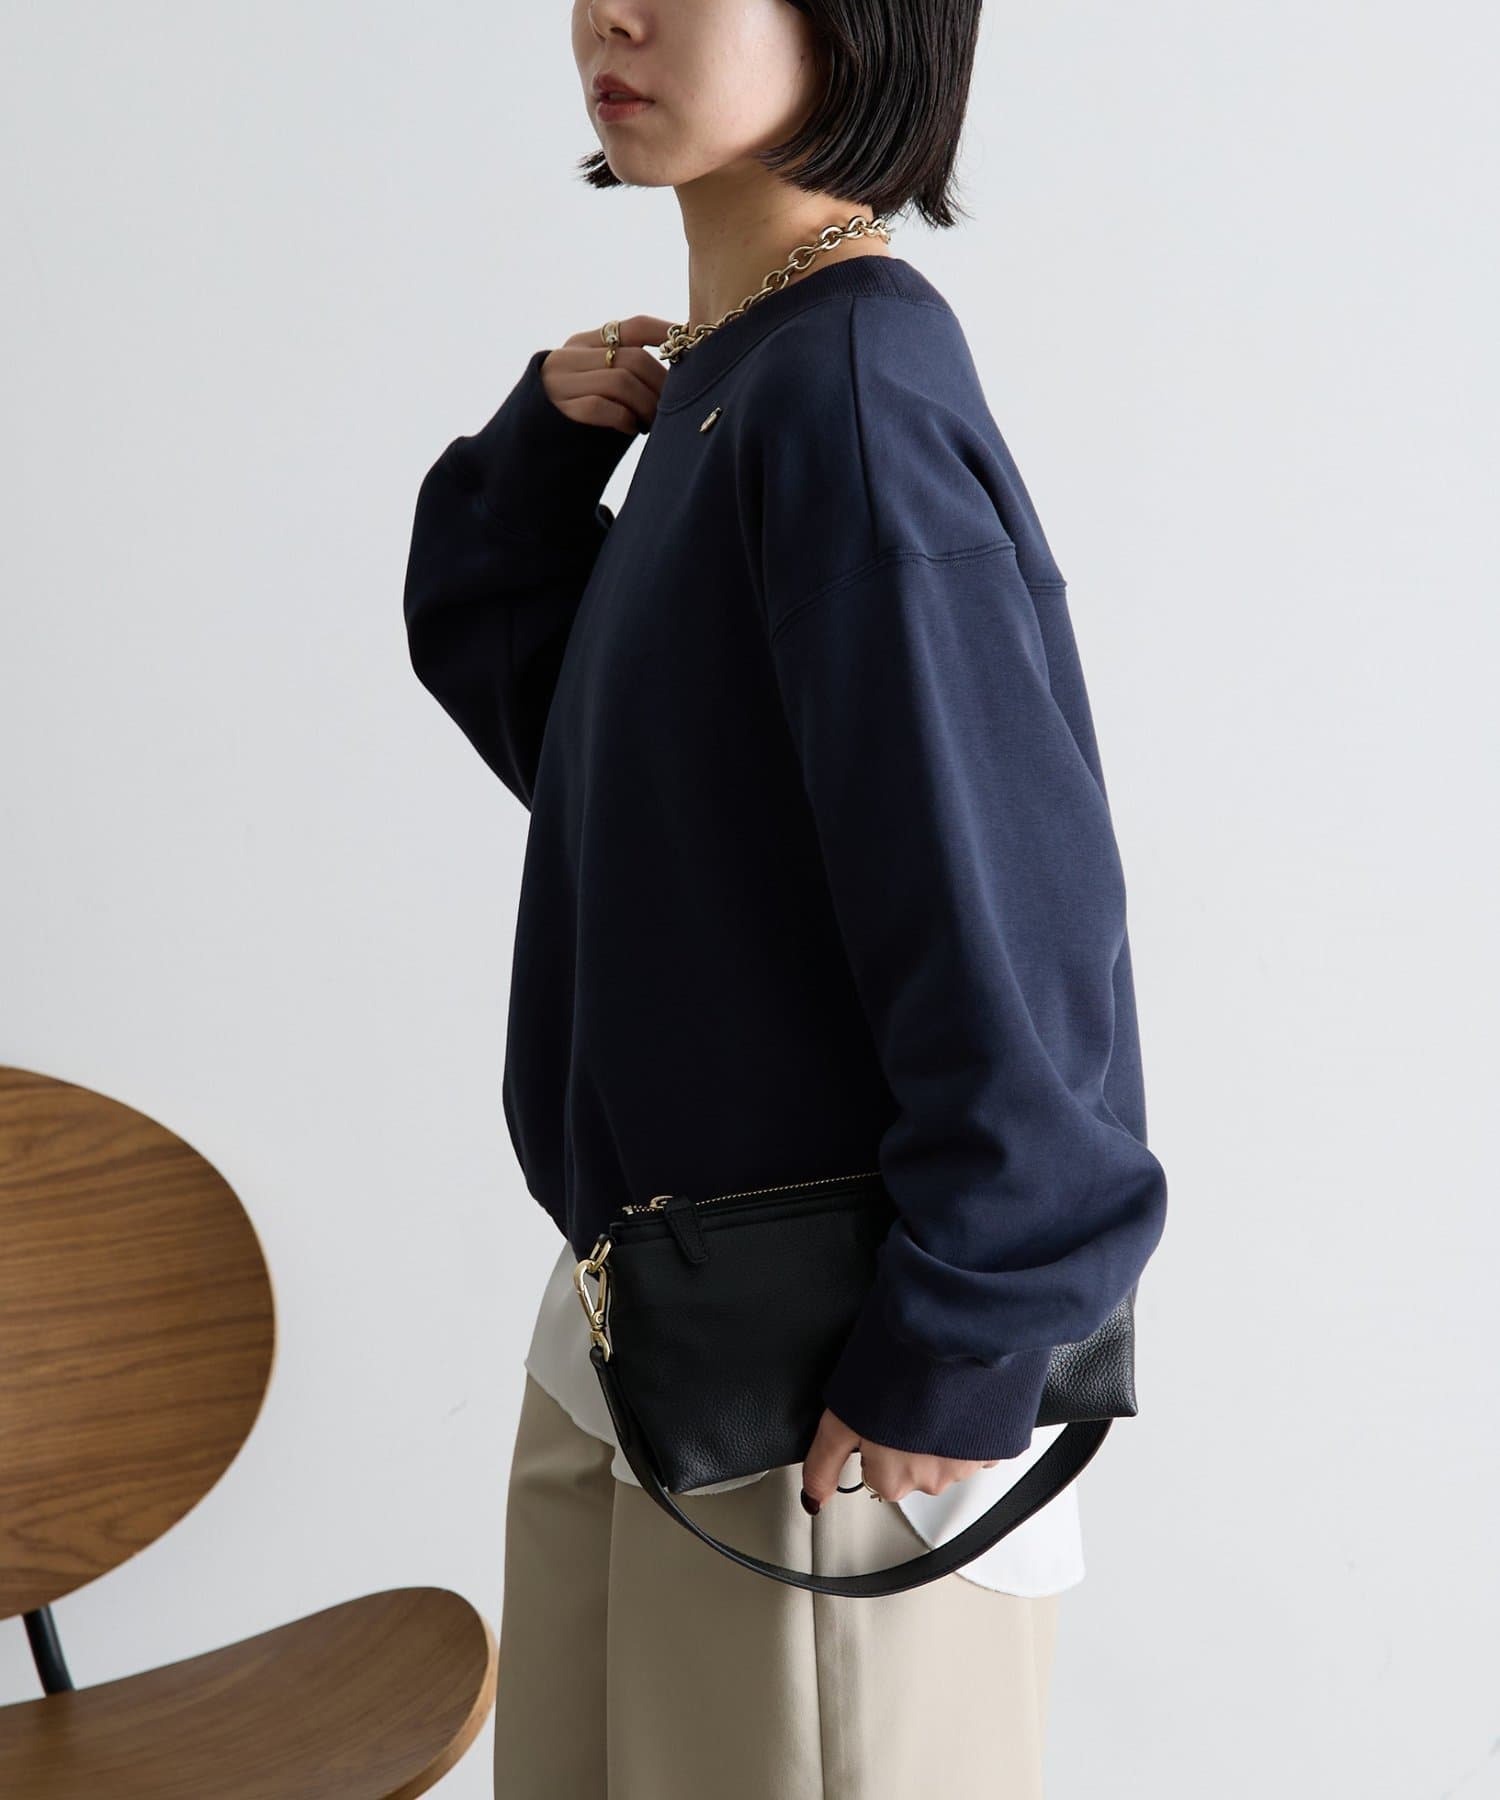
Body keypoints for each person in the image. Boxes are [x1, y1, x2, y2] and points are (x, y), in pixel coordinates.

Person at [401, 1, 1169, 1794]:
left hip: (829, 1400)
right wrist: (535, 468)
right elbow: (620, 783)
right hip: (647, 1334)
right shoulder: (743, 376)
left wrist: (964, 1335)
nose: (617, 13)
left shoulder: (849, 393)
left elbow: (1009, 907)